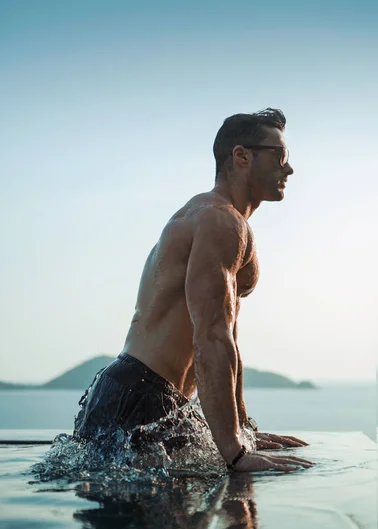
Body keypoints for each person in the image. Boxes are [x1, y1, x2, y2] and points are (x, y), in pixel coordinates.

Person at [74, 108, 314, 473]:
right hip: (141, 396)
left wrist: (242, 429)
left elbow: (228, 334)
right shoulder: (219, 221)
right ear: (242, 156)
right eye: (279, 156)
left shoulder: (225, 222)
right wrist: (234, 451)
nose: (289, 168)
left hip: (144, 394)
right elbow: (212, 336)